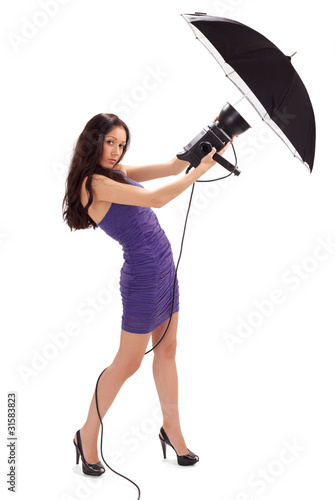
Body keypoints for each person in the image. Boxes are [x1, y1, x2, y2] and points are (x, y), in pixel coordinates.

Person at [62, 113, 231, 475]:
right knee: (128, 363)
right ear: (93, 141)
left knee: (168, 350)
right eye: (110, 142)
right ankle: (86, 434)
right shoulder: (94, 183)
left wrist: (217, 131)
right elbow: (155, 200)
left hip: (165, 270)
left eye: (121, 144)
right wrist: (201, 170)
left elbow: (172, 166)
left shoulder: (116, 173)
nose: (116, 151)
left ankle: (172, 430)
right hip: (142, 277)